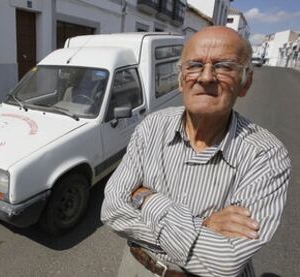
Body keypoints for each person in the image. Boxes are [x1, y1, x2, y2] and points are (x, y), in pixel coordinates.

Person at [101, 26, 291, 277]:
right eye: (194, 65)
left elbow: (226, 263)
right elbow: (111, 210)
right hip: (136, 267)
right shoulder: (152, 126)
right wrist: (202, 226)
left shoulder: (266, 155)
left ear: (246, 83)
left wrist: (146, 198)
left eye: (224, 66)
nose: (206, 77)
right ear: (181, 80)